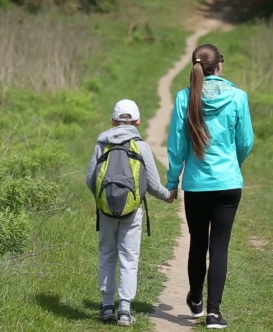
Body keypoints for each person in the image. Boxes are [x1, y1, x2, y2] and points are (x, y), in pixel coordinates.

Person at [166, 44, 254, 329]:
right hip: (228, 184)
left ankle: (195, 297)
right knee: (220, 247)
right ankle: (214, 313)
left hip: (196, 185)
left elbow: (177, 147)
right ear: (220, 65)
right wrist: (232, 163)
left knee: (197, 243)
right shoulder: (238, 97)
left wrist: (171, 182)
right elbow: (246, 142)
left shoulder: (184, 98)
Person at [86, 99, 175, 326]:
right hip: (132, 211)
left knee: (107, 253)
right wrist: (167, 195)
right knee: (129, 257)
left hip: (105, 211)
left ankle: (107, 305)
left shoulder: (101, 144)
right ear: (138, 122)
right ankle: (124, 310)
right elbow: (153, 184)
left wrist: (103, 199)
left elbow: (90, 179)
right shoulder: (141, 146)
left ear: (112, 121)